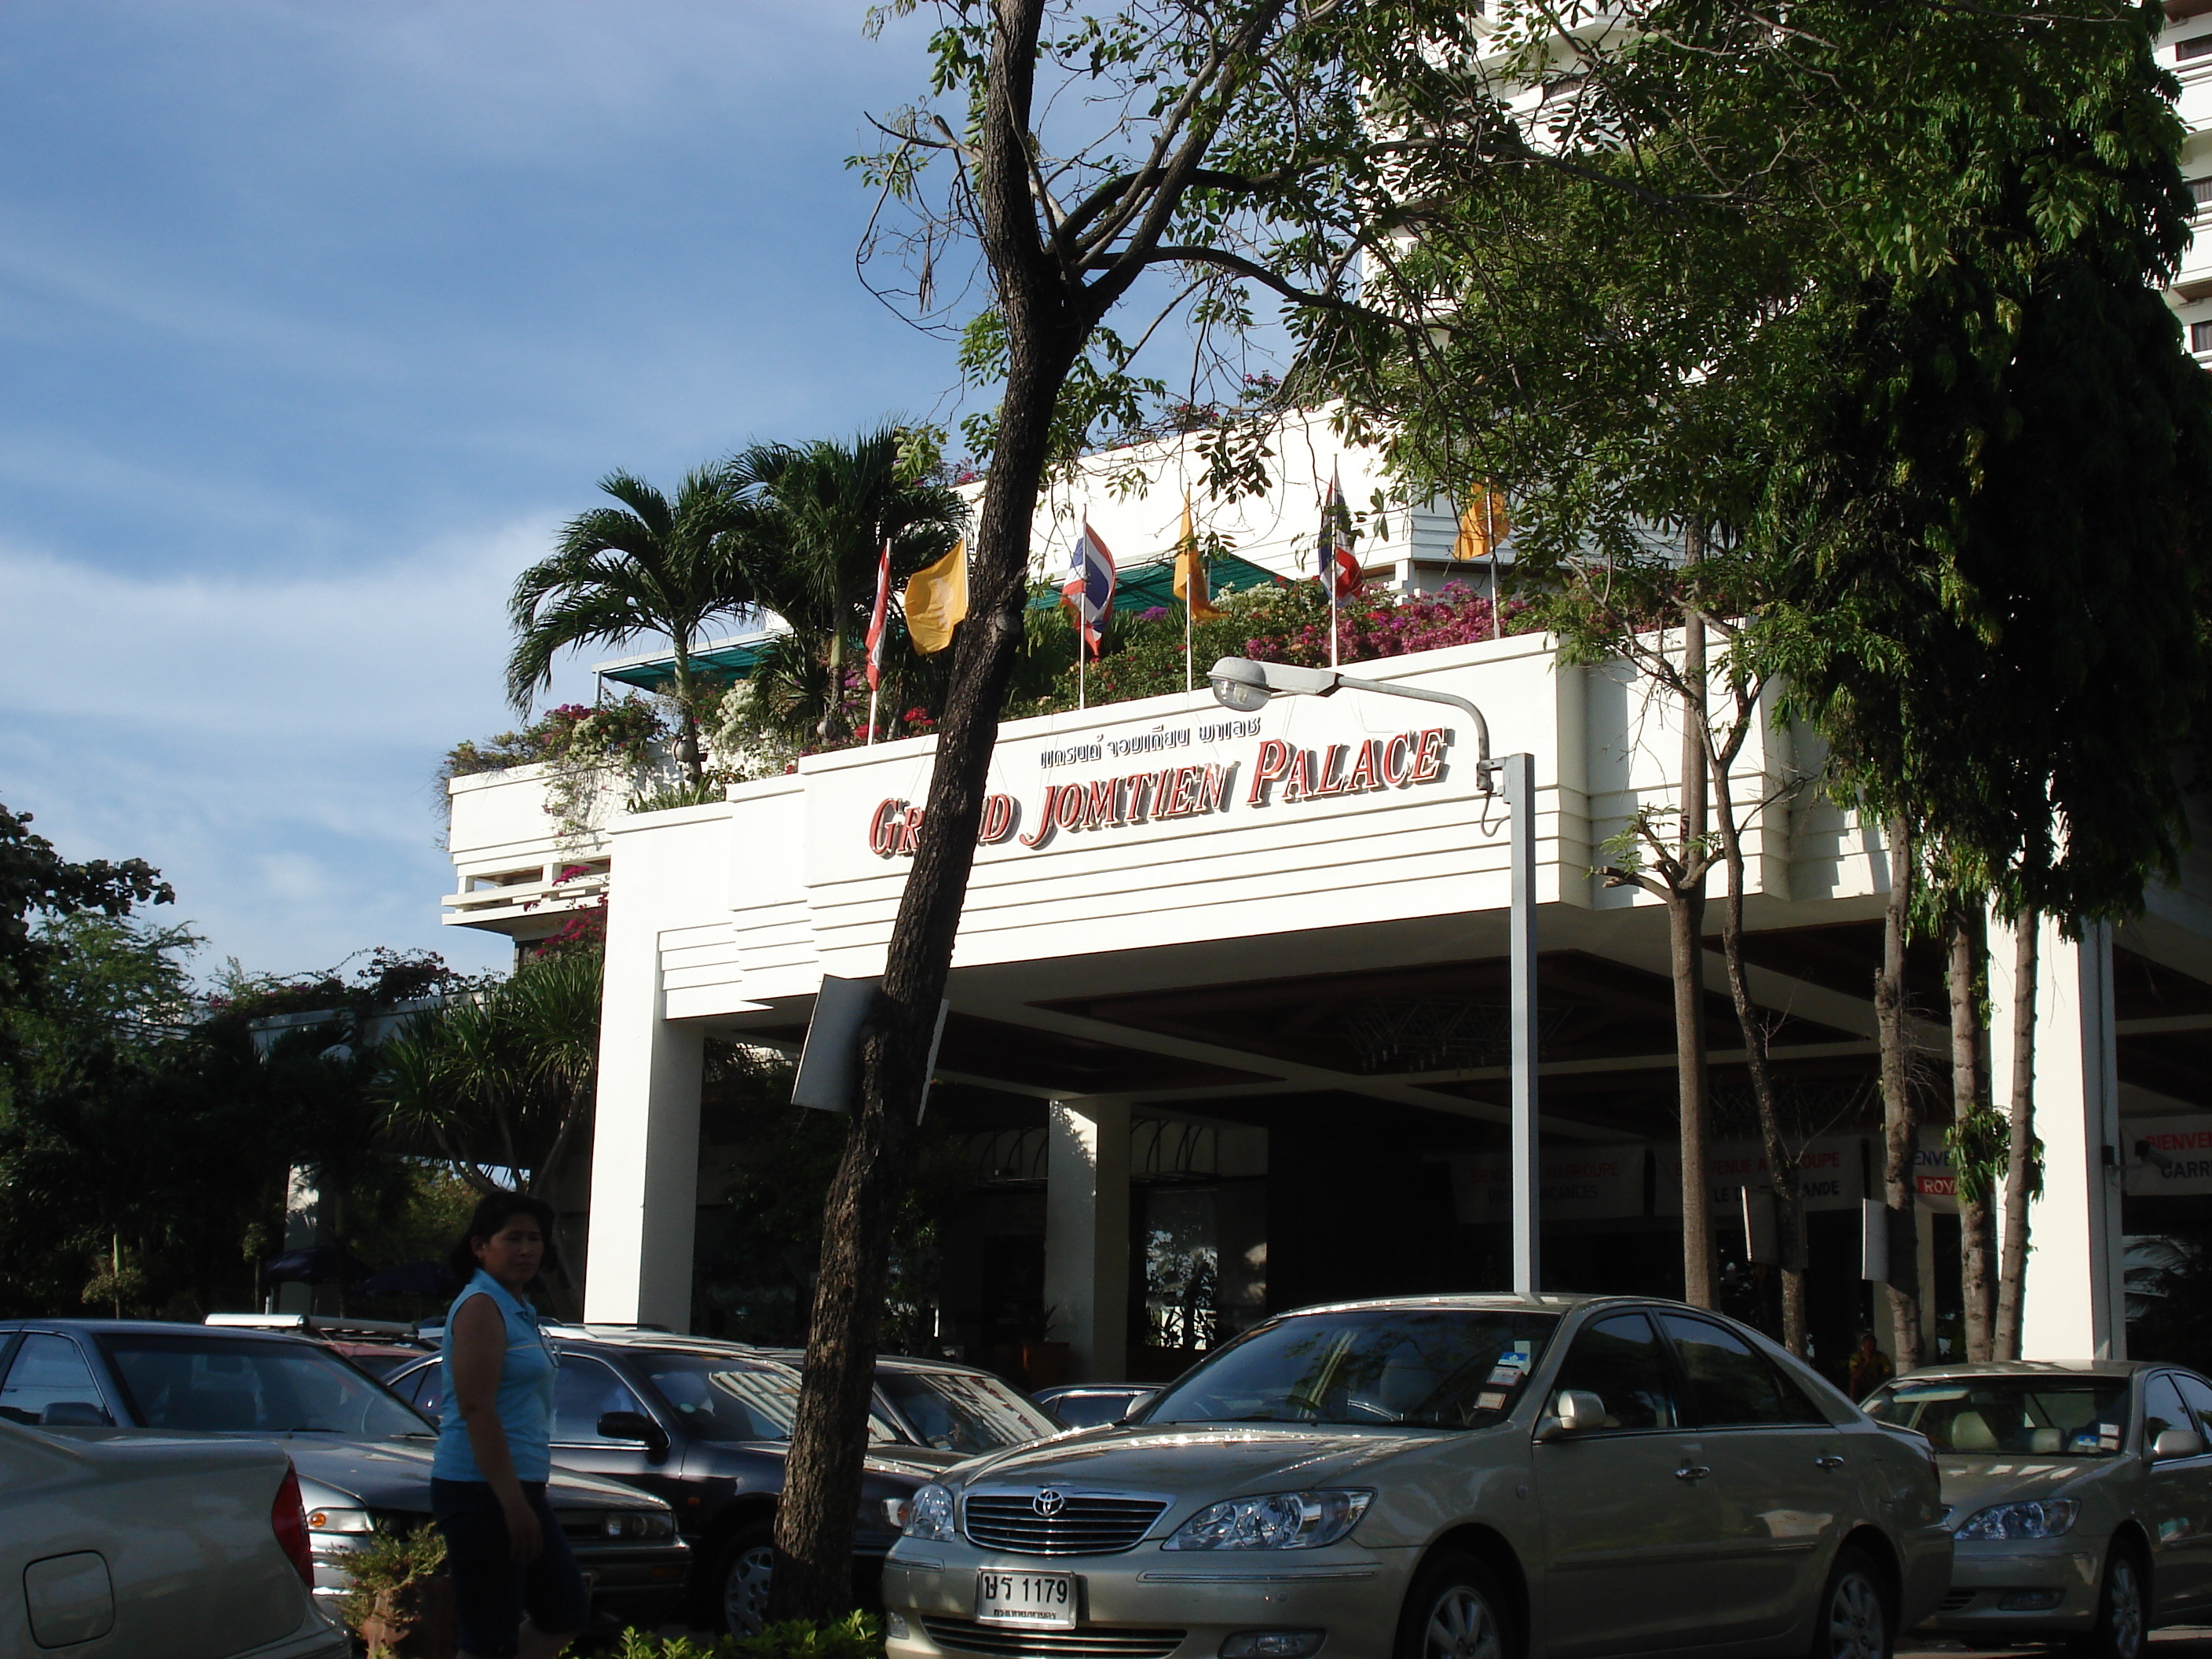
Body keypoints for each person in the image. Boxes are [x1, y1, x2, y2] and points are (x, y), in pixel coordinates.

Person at [431, 1192, 585, 1659]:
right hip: (481, 1490)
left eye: (534, 1239)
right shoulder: (481, 1306)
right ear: (480, 1246)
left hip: (521, 1487)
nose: (526, 1250)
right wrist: (513, 1504)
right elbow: (477, 1409)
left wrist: (524, 1499)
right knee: (489, 1635)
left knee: (565, 1612)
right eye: (512, 1238)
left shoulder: (517, 1308)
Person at [1848, 1331, 1893, 1401]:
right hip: (1862, 1384)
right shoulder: (1857, 1356)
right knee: (1854, 1383)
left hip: (1876, 1383)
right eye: (1869, 1345)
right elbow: (1854, 1376)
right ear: (1863, 1345)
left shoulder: (1881, 1357)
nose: (1871, 1348)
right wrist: (1867, 1362)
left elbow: (1889, 1374)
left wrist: (1877, 1380)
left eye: (1873, 1345)